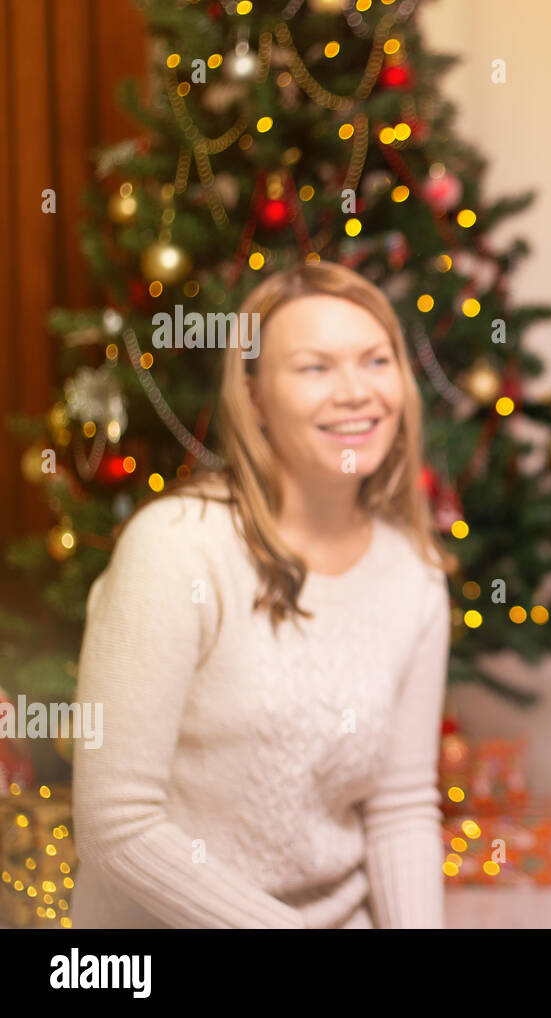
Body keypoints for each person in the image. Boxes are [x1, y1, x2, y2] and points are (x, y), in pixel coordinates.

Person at [70, 261, 454, 928]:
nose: (356, 392)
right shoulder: (176, 547)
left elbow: (400, 809)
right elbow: (117, 824)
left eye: (376, 360)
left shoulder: (414, 575)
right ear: (254, 399)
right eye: (315, 368)